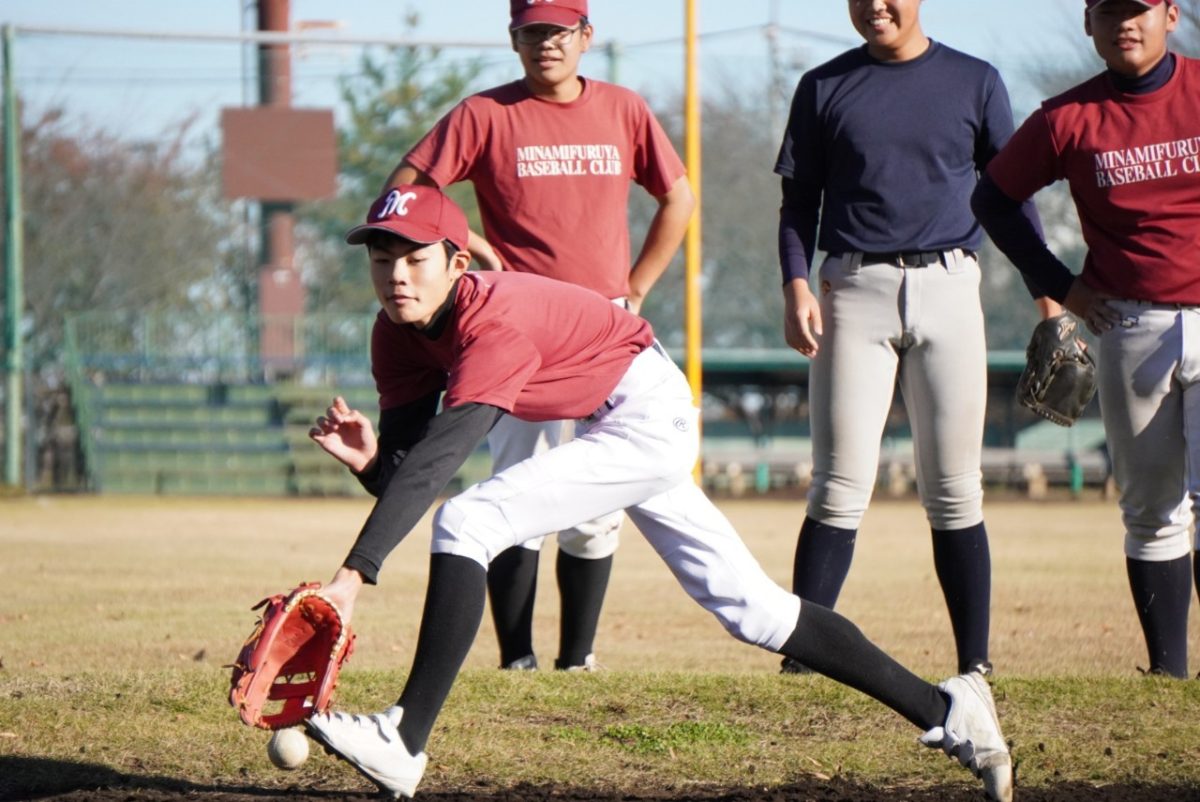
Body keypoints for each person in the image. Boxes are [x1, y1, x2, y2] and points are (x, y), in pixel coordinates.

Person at [301, 184, 1013, 802]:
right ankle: (948, 710)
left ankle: (405, 738)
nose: (397, 275)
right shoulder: (395, 333)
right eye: (382, 258)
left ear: (459, 264)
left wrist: (353, 576)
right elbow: (407, 471)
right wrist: (372, 464)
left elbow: (441, 463)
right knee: (755, 609)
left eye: (415, 257)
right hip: (618, 417)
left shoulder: (493, 322)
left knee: (470, 518)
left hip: (644, 414)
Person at [381, 0, 694, 672]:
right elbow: (405, 191)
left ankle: (576, 659)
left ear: (586, 36)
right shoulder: (485, 114)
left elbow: (679, 197)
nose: (544, 42)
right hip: (518, 331)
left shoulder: (623, 109)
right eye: (531, 31)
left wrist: (638, 284)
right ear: (513, 38)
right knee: (515, 489)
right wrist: (466, 240)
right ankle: (516, 659)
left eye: (557, 30)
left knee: (598, 507)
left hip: (604, 330)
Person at [772, 0, 1057, 676]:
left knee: (956, 489)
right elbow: (798, 203)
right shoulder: (823, 85)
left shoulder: (975, 80)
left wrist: (1048, 296)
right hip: (853, 286)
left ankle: (974, 665)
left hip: (951, 282)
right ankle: (802, 661)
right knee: (838, 485)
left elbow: (1012, 195)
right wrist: (795, 284)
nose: (875, 5)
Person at [972, 0, 1198, 677]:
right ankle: (1168, 674)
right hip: (1127, 321)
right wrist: (1060, 286)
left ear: (1170, 15)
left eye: (1139, 8)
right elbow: (992, 200)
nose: (1125, 22)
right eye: (1109, 10)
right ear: (1088, 23)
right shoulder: (1067, 118)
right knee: (1150, 507)